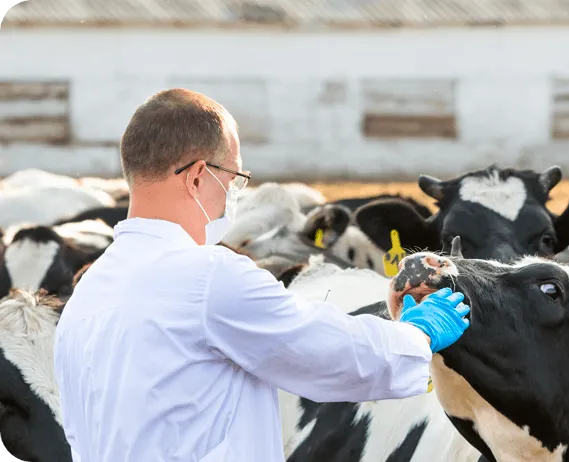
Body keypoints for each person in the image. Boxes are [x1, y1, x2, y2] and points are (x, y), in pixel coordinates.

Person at [53, 88, 470, 462]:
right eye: (234, 179)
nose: (234, 194)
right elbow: (329, 353)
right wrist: (418, 334)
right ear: (198, 177)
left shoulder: (90, 290)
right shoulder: (206, 276)